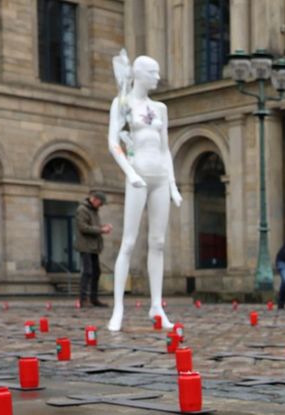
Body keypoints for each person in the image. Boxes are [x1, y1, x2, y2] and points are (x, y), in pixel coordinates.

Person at [106, 51, 182, 332]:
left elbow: (165, 149)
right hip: (137, 174)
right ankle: (118, 309)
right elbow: (113, 143)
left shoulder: (160, 109)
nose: (158, 77)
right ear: (138, 74)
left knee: (158, 242)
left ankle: (156, 306)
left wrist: (173, 185)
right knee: (128, 241)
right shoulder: (122, 103)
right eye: (153, 73)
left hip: (160, 175)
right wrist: (130, 173)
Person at [74, 190, 111, 307]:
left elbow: (92, 226)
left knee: (96, 272)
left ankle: (94, 299)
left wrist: (103, 227)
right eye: (100, 203)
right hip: (85, 246)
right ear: (94, 199)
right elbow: (83, 227)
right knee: (88, 272)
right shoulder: (82, 210)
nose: (101, 206)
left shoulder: (94, 211)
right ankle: (83, 299)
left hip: (94, 246)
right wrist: (101, 230)